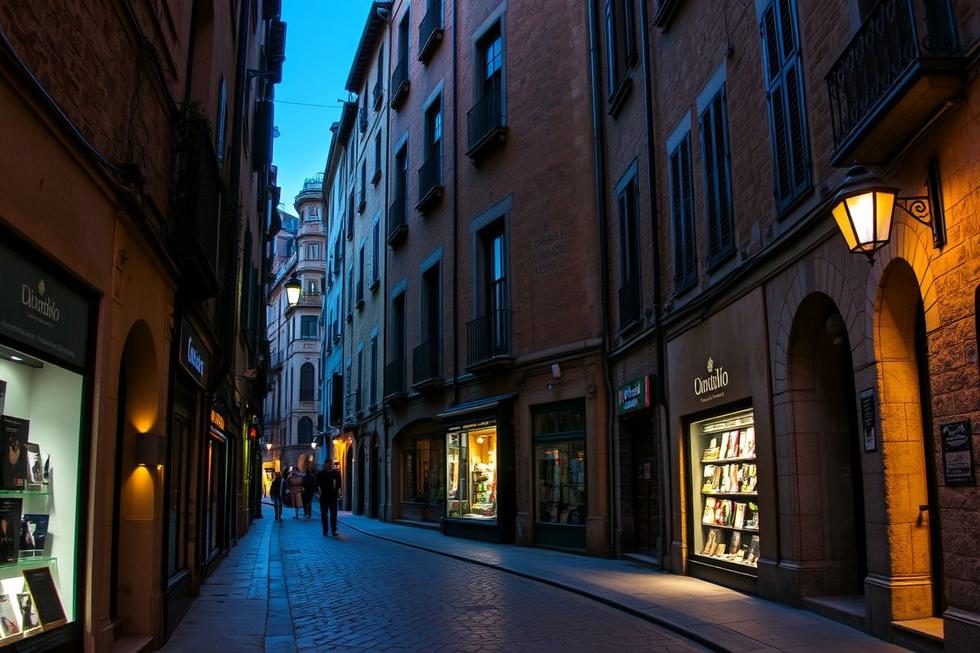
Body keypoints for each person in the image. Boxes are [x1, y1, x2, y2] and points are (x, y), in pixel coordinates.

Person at [316, 460, 342, 536]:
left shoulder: (336, 473)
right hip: (323, 497)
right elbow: (318, 485)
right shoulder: (321, 473)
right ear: (325, 465)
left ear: (332, 464)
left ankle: (333, 530)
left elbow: (339, 484)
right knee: (324, 514)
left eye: (330, 464)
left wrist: (339, 493)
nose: (329, 465)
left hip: (333, 497)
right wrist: (319, 493)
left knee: (333, 514)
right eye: (327, 464)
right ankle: (325, 530)